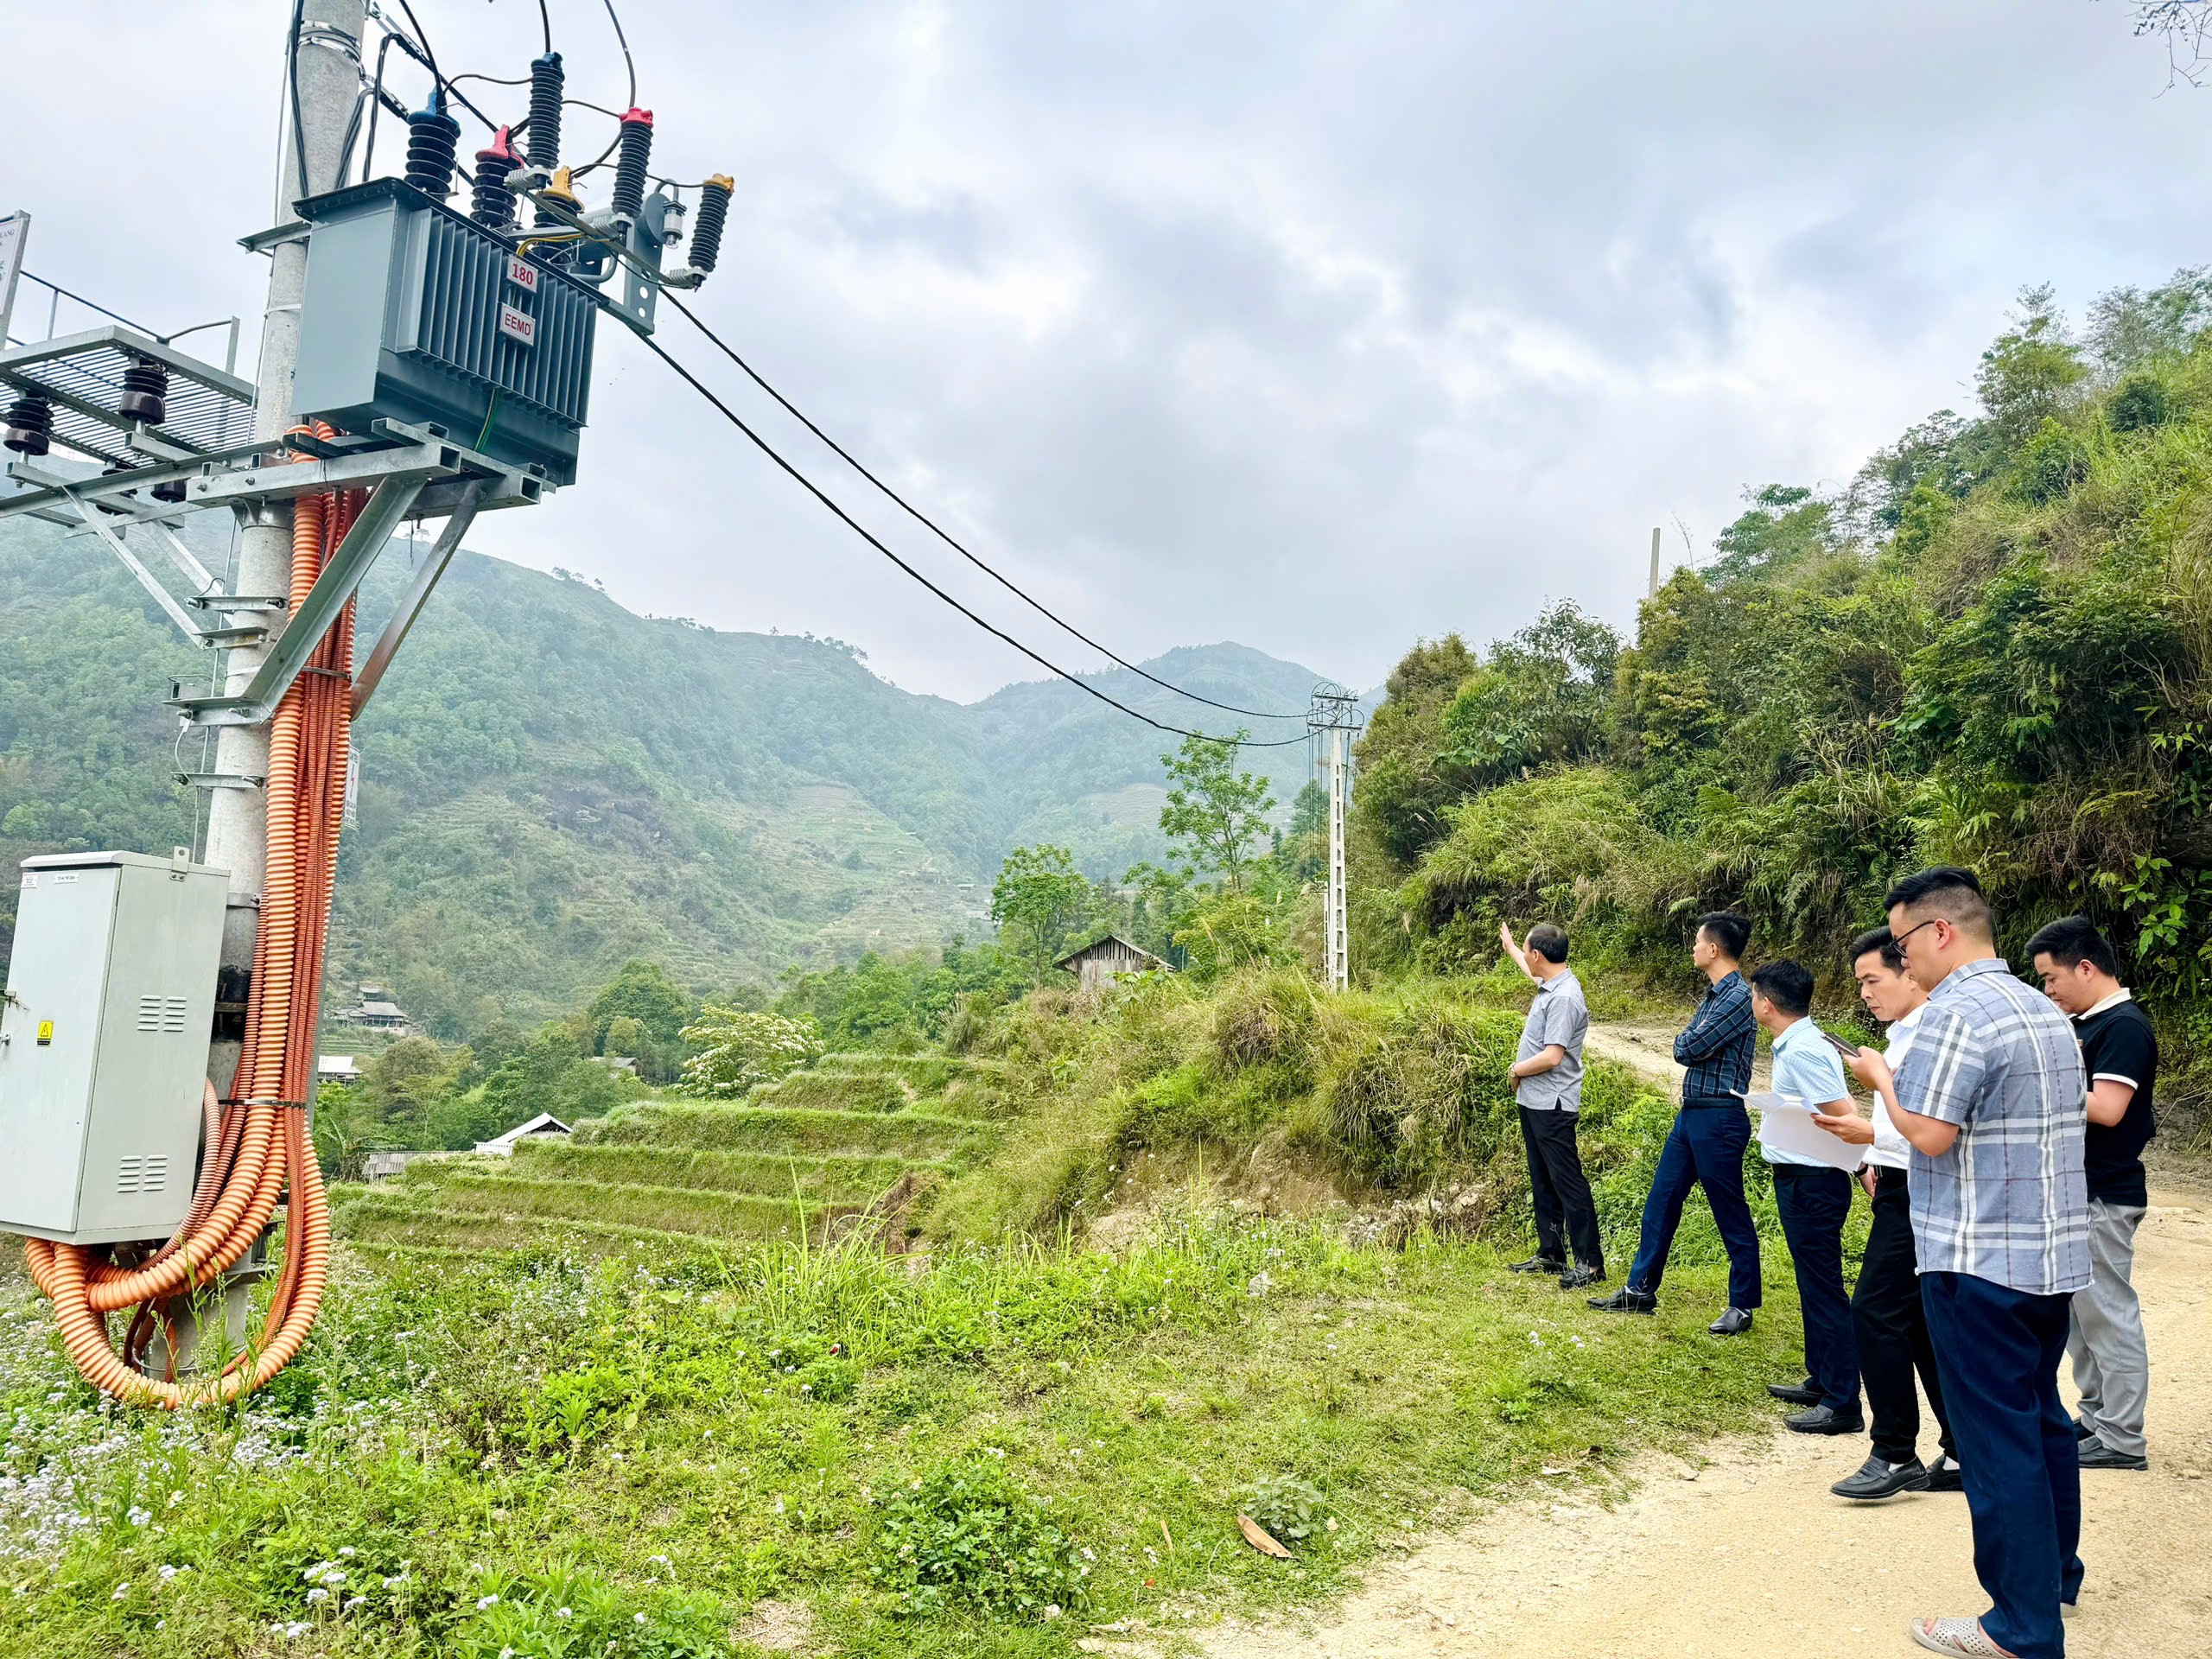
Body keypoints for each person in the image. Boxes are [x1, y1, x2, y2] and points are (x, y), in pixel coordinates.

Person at [1845, 868, 2088, 1659]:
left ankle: (2019, 1627)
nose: (1902, 959)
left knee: (1994, 1440)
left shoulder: (1955, 1012)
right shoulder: (2041, 1007)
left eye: (1903, 942)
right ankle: (2054, 1577)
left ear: (1940, 932)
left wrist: (1880, 1079)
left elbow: (1929, 1134)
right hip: (2048, 1256)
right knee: (2041, 1419)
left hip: (1977, 1260)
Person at [1811, 927, 1961, 1501]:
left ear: (1910, 971)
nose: (1865, 994)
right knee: (1916, 1320)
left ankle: (1896, 1450)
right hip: (1900, 1182)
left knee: (1874, 1310)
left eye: (1873, 980)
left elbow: (1934, 1127)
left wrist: (1872, 1130)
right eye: (1860, 984)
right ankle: (1964, 1446)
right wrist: (1876, 1155)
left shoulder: (1930, 1036)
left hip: (1921, 1188)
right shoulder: (1901, 1036)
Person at [2027, 915, 2157, 1474]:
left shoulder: (2123, 1026)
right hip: (2076, 1190)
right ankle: (2097, 1416)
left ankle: (2123, 1436)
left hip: (2104, 1192)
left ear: (2085, 967)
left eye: (2050, 978)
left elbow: (2107, 1108)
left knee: (2107, 1314)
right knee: (2081, 1317)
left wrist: (2036, 1084)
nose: (2048, 990)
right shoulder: (2084, 1024)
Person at [1590, 912, 1761, 1334]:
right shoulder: (1714, 996)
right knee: (1662, 1200)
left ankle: (1742, 1305)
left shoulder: (1738, 997)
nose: (1693, 948)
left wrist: (1689, 1039)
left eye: (1697, 941)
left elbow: (1688, 1046)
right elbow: (1685, 1042)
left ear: (1714, 949)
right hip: (1691, 1114)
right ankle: (1640, 1289)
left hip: (1720, 1116)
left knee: (1729, 1212)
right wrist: (1689, 1039)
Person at [1747, 960, 1862, 1435]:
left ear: (1766, 1003)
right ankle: (1822, 1378)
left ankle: (1842, 1402)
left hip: (1813, 1181)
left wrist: (1862, 1164)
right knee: (1812, 1283)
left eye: (1754, 995)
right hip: (1803, 1177)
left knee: (1823, 1287)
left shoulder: (1803, 1050)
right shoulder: (1798, 1043)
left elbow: (1844, 1113)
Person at [1500, 921, 1603, 1289]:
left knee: (1567, 1181)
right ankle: (1552, 1253)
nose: (1526, 957)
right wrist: (1511, 947)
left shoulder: (1564, 998)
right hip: (1535, 1100)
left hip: (1553, 1103)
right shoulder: (1550, 983)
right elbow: (1529, 969)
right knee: (1543, 1179)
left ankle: (1590, 1263)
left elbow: (1553, 1056)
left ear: (1538, 954)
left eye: (1527, 949)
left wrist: (1515, 1070)